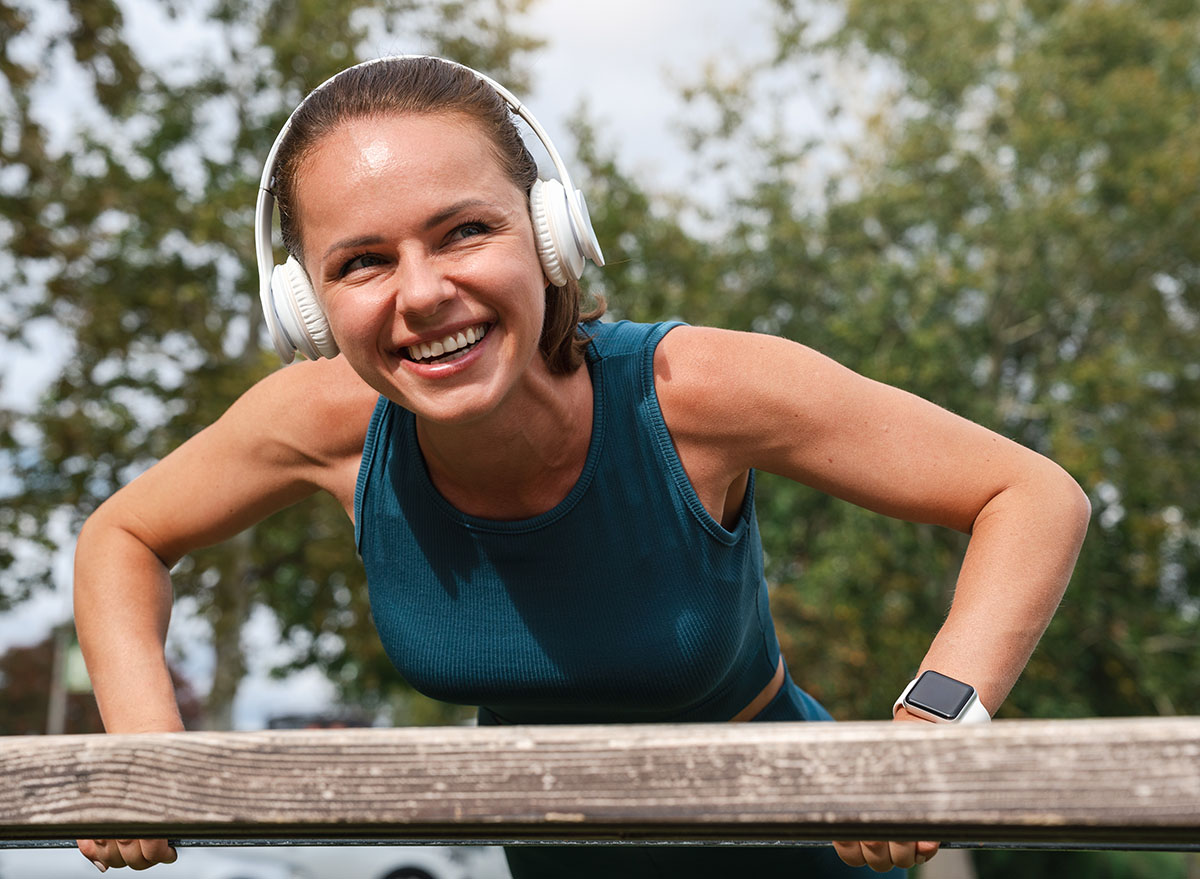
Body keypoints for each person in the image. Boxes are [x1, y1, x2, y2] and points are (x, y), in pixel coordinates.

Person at [72, 55, 1091, 876]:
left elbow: (1032, 493)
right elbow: (122, 536)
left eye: (464, 231)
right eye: (363, 261)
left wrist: (930, 730)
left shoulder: (692, 393)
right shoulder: (320, 423)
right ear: (306, 304)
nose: (422, 294)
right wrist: (146, 755)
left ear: (551, 234)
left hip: (795, 858)